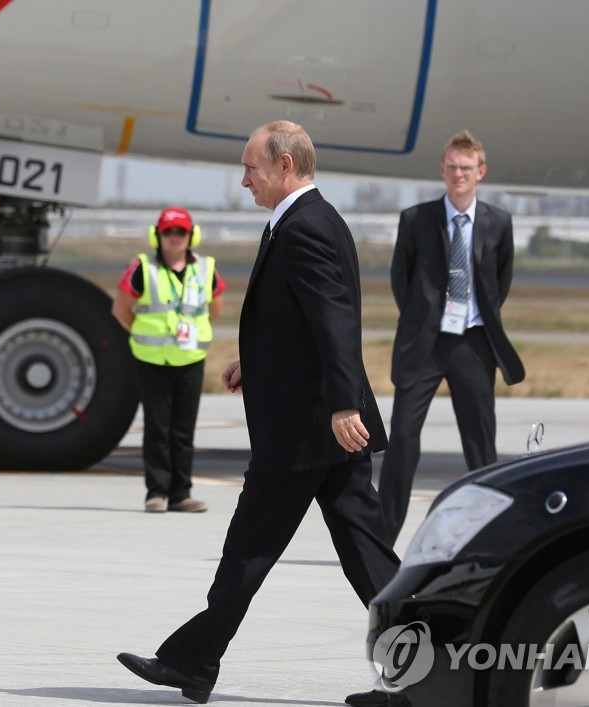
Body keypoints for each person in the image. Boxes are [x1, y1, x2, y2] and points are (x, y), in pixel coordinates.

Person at [117, 121, 400, 705]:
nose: (244, 179)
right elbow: (301, 320)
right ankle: (432, 670)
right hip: (317, 423)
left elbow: (336, 323)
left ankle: (192, 662)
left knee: (250, 547)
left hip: (307, 429)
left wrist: (345, 403)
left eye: (251, 168)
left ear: (285, 166)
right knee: (368, 558)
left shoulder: (304, 229)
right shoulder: (308, 219)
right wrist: (258, 364)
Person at [378, 130, 526, 546]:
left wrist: (478, 318)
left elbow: (501, 281)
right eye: (452, 167)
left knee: (480, 444)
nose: (458, 174)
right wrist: (421, 320)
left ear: (481, 172)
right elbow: (399, 279)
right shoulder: (415, 219)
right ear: (442, 170)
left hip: (474, 344)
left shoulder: (499, 222)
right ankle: (382, 537)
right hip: (424, 345)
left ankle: (491, 536)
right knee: (403, 439)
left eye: (466, 168)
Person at [111, 207, 225, 513]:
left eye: (181, 232)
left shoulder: (205, 268)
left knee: (183, 430)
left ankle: (181, 494)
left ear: (192, 236)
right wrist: (142, 334)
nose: (175, 238)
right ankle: (157, 492)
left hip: (189, 360)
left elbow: (215, 309)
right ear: (157, 235)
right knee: (158, 428)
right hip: (152, 360)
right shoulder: (143, 267)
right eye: (168, 232)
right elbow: (121, 309)